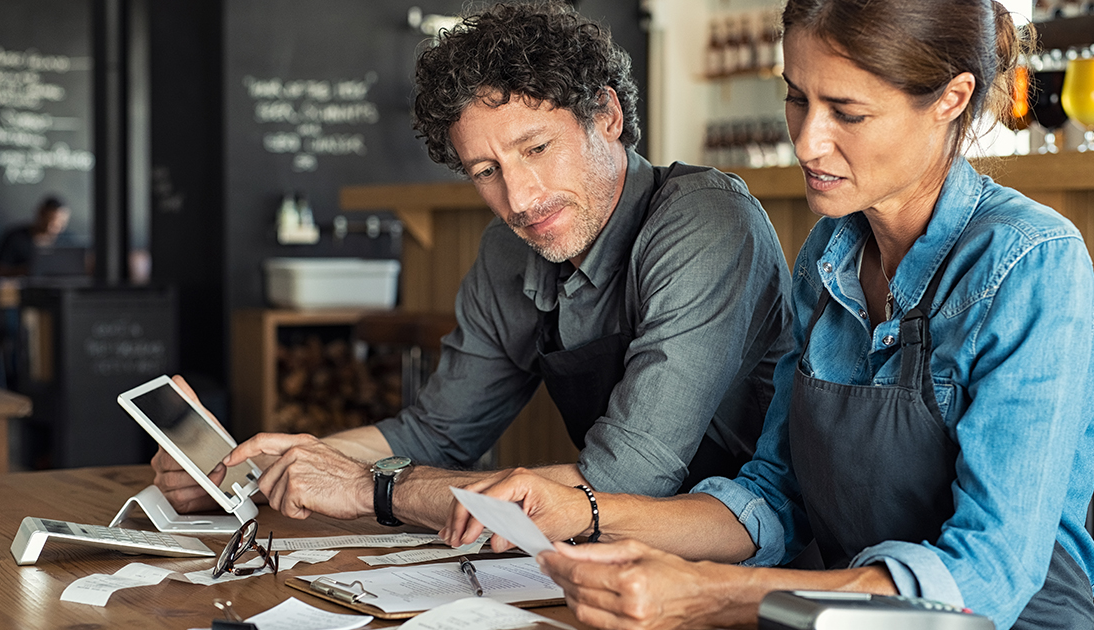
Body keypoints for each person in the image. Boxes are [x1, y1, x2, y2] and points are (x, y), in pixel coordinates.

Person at [441, 1, 1094, 629]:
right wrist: (586, 513)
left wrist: (710, 593)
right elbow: (773, 495)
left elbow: (989, 575)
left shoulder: (1031, 264)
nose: (806, 142)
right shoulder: (830, 252)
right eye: (797, 98)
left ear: (951, 99)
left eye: (846, 112)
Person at [152, 2, 793, 532]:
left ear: (607, 115)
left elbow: (621, 482)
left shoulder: (706, 223)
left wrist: (372, 490)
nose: (519, 198)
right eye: (486, 172)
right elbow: (436, 432)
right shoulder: (508, 250)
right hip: (617, 559)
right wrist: (256, 473)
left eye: (536, 148)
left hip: (755, 553)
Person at [0, 195, 71, 276]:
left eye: (61, 222)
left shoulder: (69, 241)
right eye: (51, 221)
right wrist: (28, 269)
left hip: (60, 287)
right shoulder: (15, 238)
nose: (56, 227)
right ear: (41, 214)